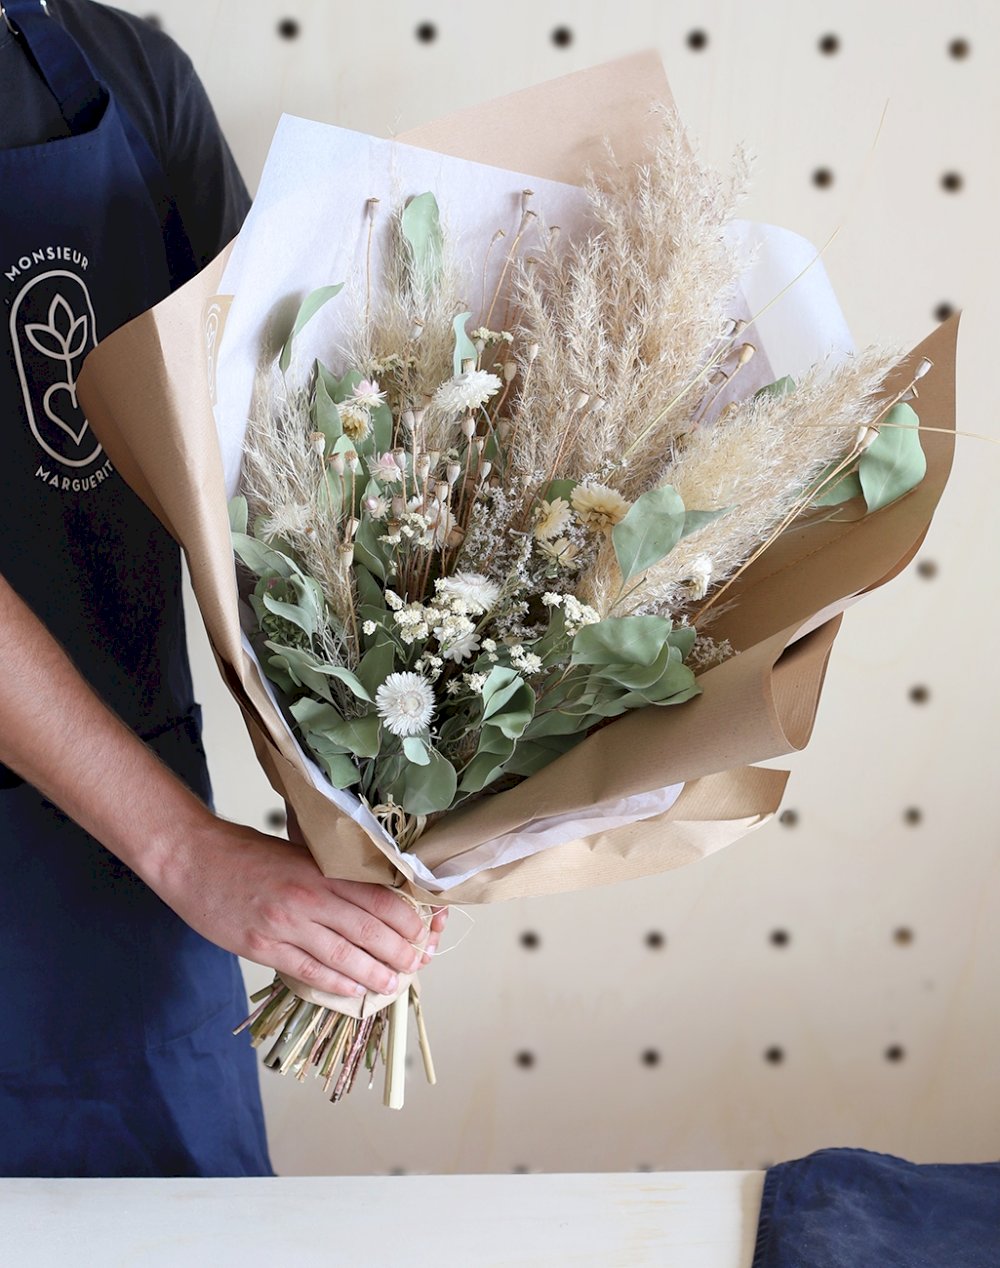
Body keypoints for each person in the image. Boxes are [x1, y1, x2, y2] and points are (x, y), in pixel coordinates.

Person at [0, 0, 445, 1178]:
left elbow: (280, 465)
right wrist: (192, 855)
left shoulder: (123, 69)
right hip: (159, 847)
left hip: (128, 883)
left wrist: (367, 826)